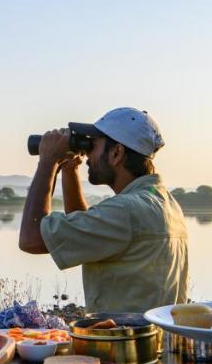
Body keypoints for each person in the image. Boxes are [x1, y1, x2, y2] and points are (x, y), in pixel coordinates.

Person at [18, 108, 188, 313]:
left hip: (125, 340)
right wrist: (69, 170)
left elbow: (31, 239)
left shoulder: (126, 211)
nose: (88, 154)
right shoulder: (165, 204)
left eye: (94, 144)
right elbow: (84, 232)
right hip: (153, 339)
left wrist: (47, 162)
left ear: (117, 153)